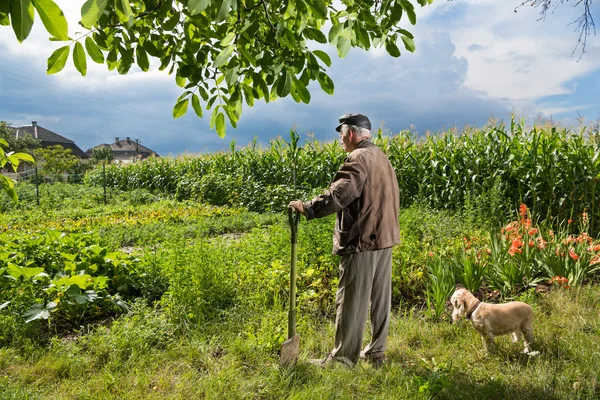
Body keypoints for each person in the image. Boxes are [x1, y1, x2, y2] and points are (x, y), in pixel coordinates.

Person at [288, 113, 400, 368]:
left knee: (351, 299)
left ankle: (342, 359)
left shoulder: (358, 158)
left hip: (363, 239)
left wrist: (308, 207)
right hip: (384, 237)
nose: (340, 139)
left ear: (350, 133)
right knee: (380, 299)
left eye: (341, 134)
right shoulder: (381, 156)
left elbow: (341, 192)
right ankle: (375, 352)